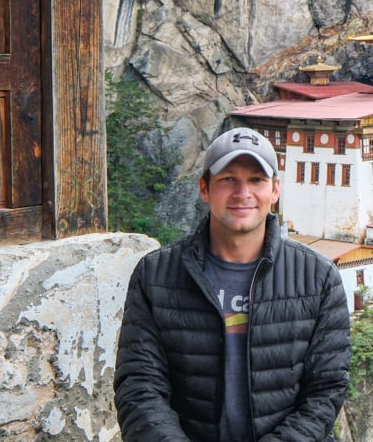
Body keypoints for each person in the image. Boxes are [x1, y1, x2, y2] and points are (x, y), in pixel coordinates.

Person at [114, 127, 351, 441]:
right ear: (204, 188)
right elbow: (139, 386)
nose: (243, 193)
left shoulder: (317, 277)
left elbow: (325, 390)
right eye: (228, 179)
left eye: (256, 180)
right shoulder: (156, 275)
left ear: (275, 190)